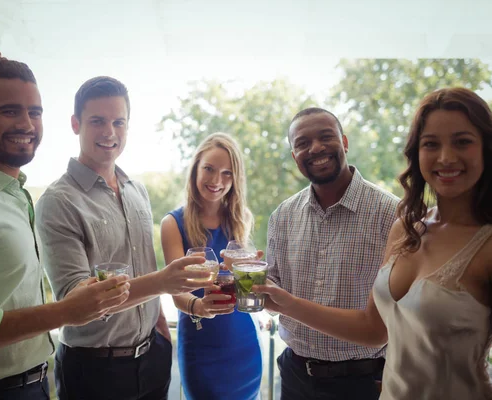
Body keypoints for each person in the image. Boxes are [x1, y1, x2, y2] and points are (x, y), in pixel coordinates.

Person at [255, 87, 492, 399]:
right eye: (431, 144)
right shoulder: (406, 229)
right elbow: (372, 328)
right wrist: (258, 288)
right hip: (312, 378)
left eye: (462, 141)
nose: (446, 157)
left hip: (365, 381)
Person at [0, 51, 131, 400]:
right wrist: (63, 312)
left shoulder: (13, 194)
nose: (27, 125)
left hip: (31, 385)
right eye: (10, 111)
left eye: (35, 112)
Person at [35, 76, 213, 400]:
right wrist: (163, 283)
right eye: (97, 121)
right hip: (95, 371)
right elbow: (78, 301)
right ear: (76, 124)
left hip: (152, 356)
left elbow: (142, 266)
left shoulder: (137, 190)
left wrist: (159, 326)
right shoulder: (57, 202)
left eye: (119, 122)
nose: (109, 132)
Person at [265, 107, 399, 399]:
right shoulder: (282, 216)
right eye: (302, 143)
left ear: (345, 142)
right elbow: (271, 291)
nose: (315, 148)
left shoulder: (392, 214)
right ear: (294, 156)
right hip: (295, 376)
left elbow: (401, 314)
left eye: (326, 137)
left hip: (367, 381)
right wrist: (243, 279)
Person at [160, 132, 263, 400]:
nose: (217, 180)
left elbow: (246, 288)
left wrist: (251, 277)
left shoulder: (240, 221)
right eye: (209, 169)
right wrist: (199, 307)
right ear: (196, 169)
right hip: (200, 343)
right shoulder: (173, 223)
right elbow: (176, 292)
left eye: (227, 173)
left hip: (243, 343)